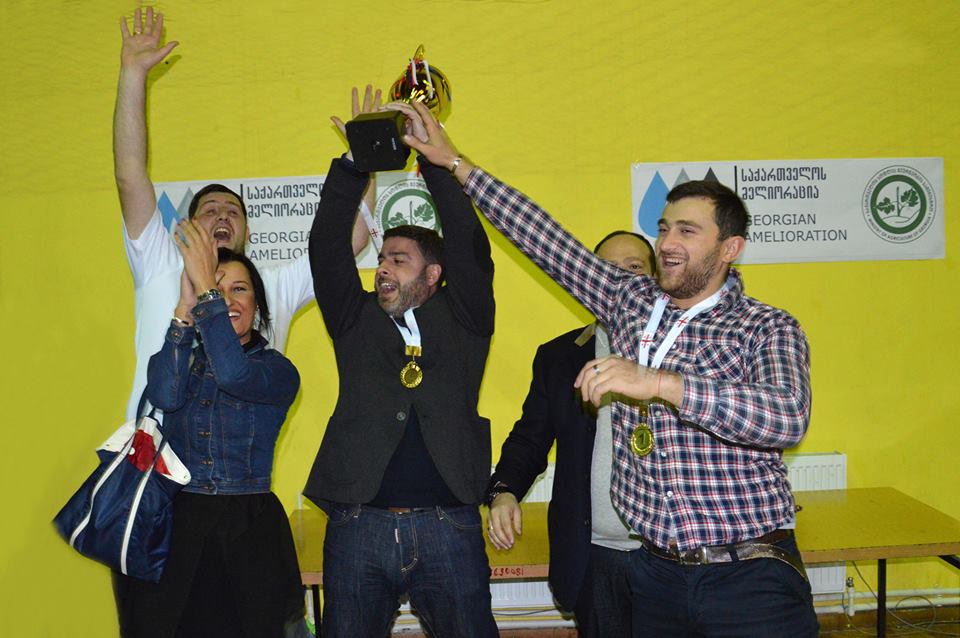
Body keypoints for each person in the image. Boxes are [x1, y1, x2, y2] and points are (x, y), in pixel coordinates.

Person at [401, 100, 819, 637]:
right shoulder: (630, 301)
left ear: (729, 248)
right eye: (664, 228)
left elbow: (787, 416)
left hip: (750, 574)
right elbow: (545, 239)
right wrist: (456, 163)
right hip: (656, 574)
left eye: (688, 232)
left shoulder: (766, 326)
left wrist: (660, 383)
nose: (667, 244)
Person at [303, 90, 498, 637]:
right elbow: (326, 247)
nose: (382, 268)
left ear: (433, 275)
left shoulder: (465, 319)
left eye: (398, 260)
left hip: (448, 524)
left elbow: (468, 246)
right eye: (380, 259)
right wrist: (357, 162)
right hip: (358, 525)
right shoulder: (354, 317)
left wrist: (436, 164)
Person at [114, 7, 368, 421]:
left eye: (233, 212)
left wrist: (366, 157)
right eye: (209, 210)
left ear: (247, 233)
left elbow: (351, 240)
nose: (222, 217)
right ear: (185, 228)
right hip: (157, 457)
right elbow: (129, 175)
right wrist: (132, 74)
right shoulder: (158, 262)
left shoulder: (273, 284)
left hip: (239, 459)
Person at [112, 219, 307, 637]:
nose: (226, 299)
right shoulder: (184, 359)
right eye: (216, 287)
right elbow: (163, 395)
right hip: (179, 524)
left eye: (239, 289)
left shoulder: (277, 370)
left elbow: (234, 374)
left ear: (258, 306)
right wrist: (183, 316)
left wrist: (206, 291)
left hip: (248, 527)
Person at [486, 231, 655, 638]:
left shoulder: (687, 351)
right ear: (588, 279)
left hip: (669, 557)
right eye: (607, 269)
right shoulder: (559, 357)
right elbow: (530, 438)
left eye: (634, 268)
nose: (621, 279)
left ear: (657, 280)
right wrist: (503, 491)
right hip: (594, 555)